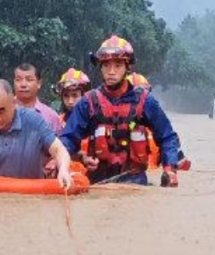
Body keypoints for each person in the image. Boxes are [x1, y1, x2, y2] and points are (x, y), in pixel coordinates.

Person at [60, 35, 181, 187]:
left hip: (135, 181)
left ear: (127, 68)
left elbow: (167, 137)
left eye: (117, 65)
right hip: (97, 180)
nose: (111, 71)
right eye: (106, 66)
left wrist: (169, 170)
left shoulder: (145, 101)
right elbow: (68, 139)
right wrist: (63, 161)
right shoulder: (88, 102)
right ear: (100, 67)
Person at [13, 62, 63, 134]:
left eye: (29, 79)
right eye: (18, 79)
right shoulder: (2, 111)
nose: (23, 84)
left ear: (39, 83)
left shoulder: (51, 117)